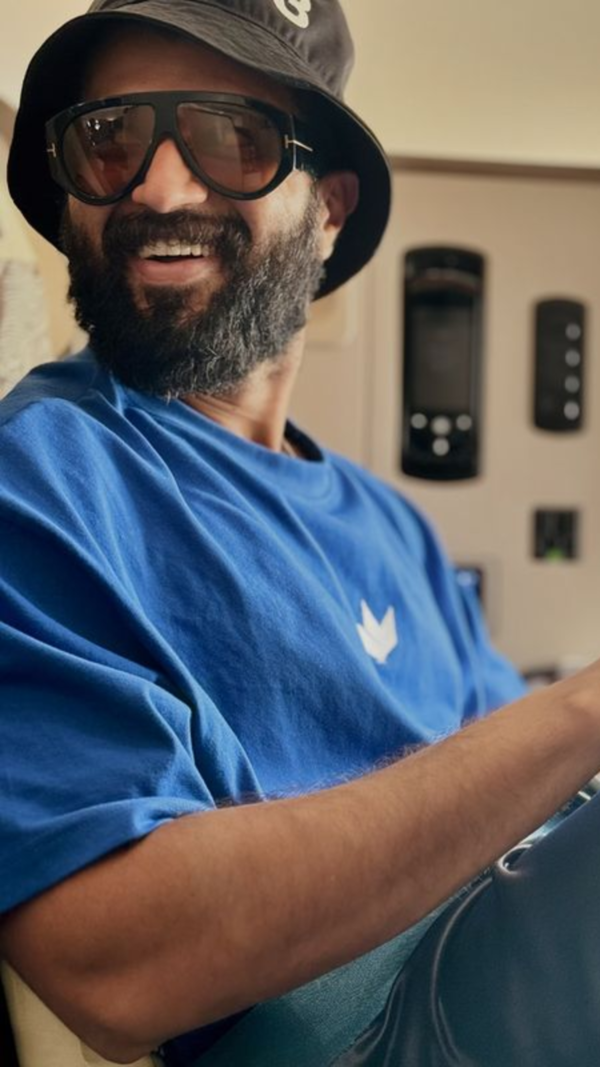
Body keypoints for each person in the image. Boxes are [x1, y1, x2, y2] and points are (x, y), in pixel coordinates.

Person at [1, 2, 600, 1065]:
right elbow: (115, 964)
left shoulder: (392, 526)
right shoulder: (43, 480)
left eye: (232, 138)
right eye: (111, 139)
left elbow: (530, 804)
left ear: (329, 210)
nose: (159, 190)